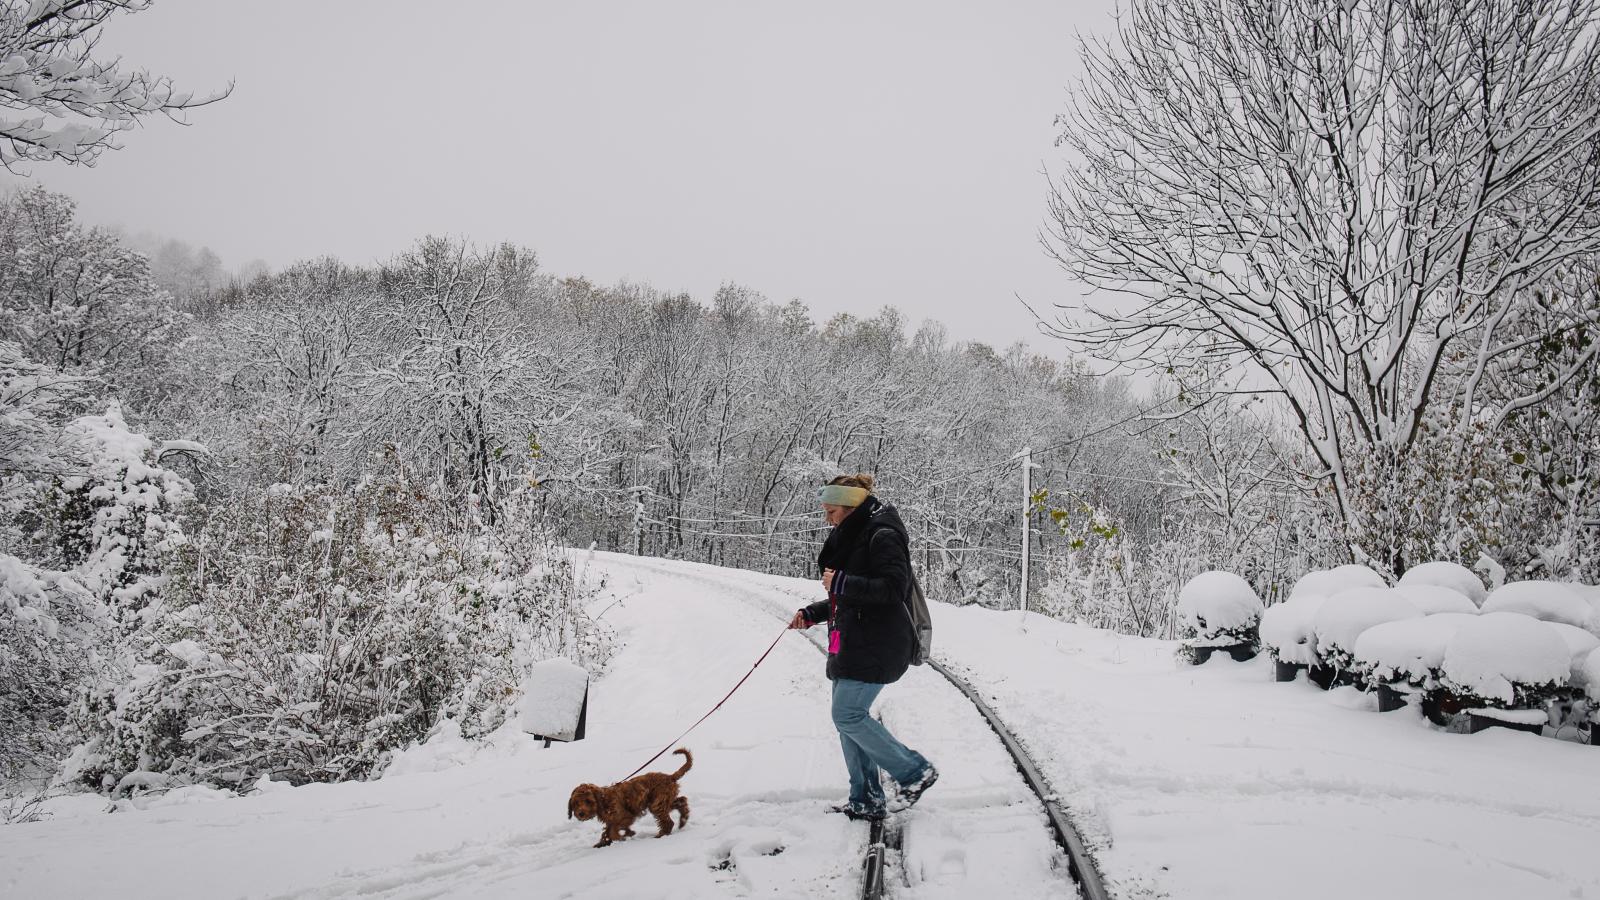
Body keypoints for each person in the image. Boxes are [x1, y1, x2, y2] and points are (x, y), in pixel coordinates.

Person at [788, 473, 937, 821]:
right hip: (854, 641)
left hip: (879, 642)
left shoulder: (882, 534)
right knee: (847, 719)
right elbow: (849, 599)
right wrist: (813, 613)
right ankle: (865, 798)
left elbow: (892, 588)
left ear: (851, 505)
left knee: (848, 714)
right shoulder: (857, 533)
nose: (828, 520)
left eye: (832, 512)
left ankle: (915, 771)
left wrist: (841, 580)